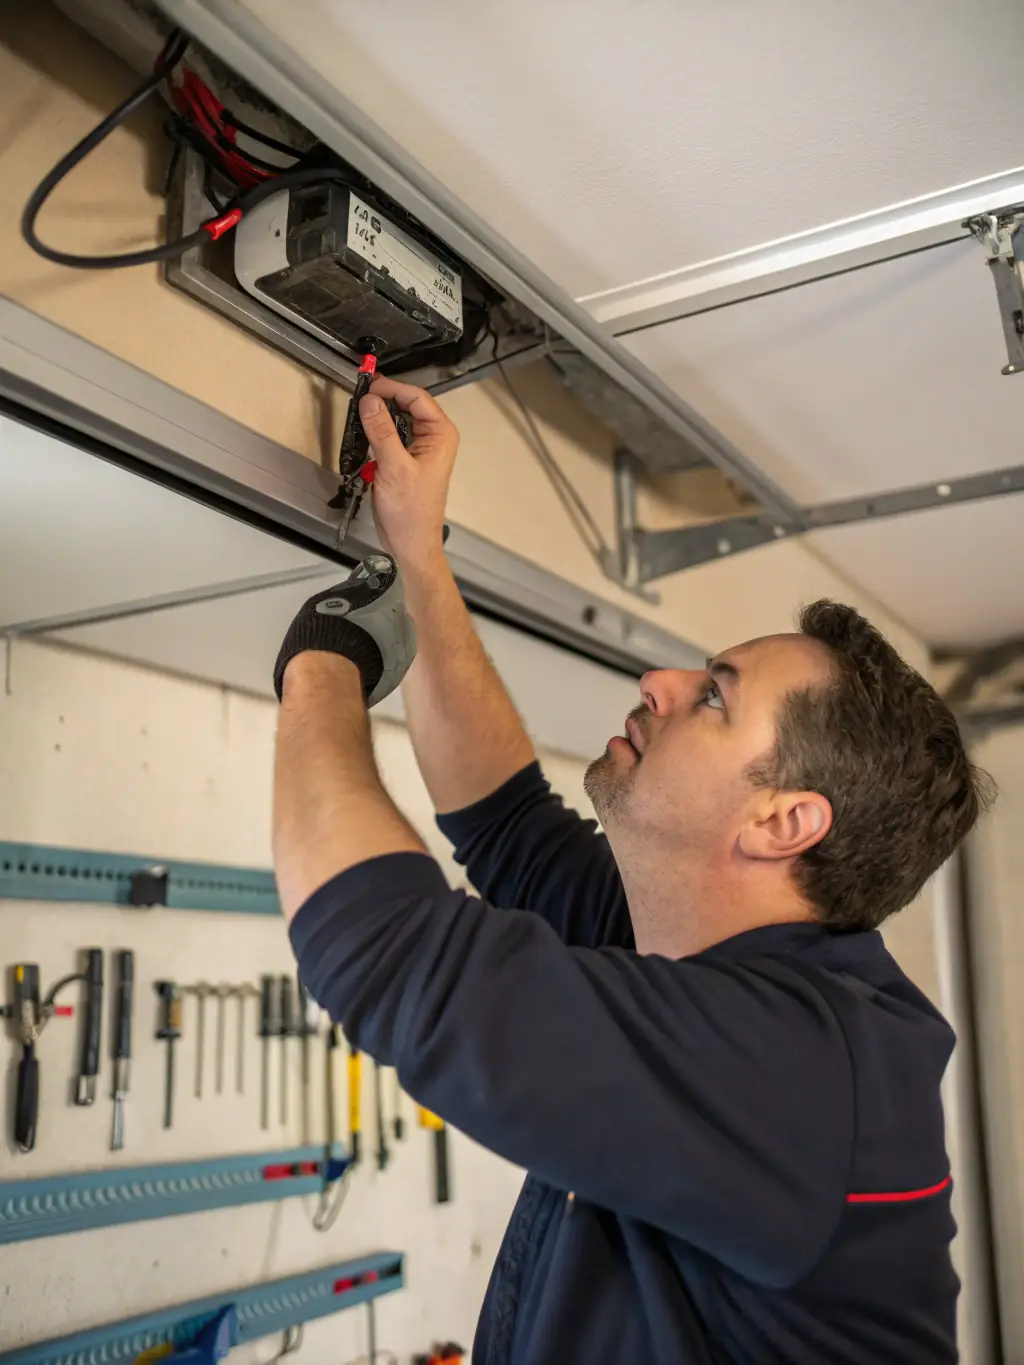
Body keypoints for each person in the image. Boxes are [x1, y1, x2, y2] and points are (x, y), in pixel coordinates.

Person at [272, 376, 993, 1365]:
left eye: (712, 699)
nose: (658, 681)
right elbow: (507, 824)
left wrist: (319, 672)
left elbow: (386, 951)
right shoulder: (701, 954)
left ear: (785, 821)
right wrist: (418, 550)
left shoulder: (797, 1070)